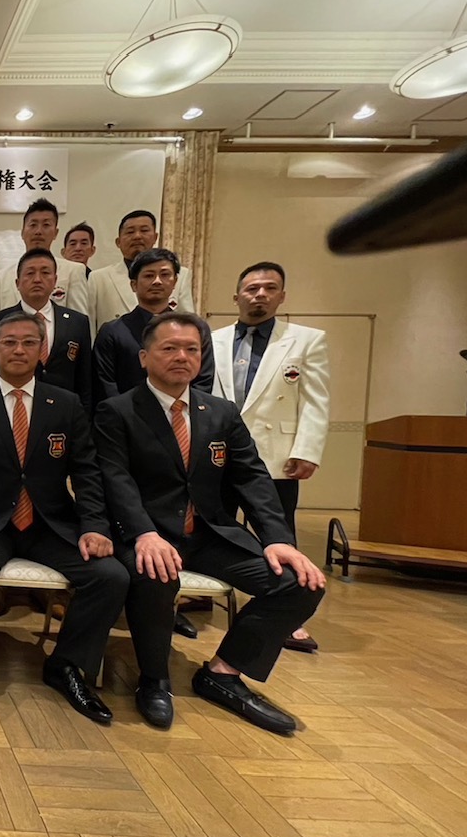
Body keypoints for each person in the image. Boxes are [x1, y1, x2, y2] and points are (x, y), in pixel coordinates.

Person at [93, 313, 326, 733]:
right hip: (145, 533)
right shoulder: (117, 411)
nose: (181, 356)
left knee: (300, 583)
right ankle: (154, 680)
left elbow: (252, 478)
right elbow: (116, 478)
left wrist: (277, 539)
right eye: (169, 348)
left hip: (208, 533)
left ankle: (223, 672)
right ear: (144, 357)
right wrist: (144, 533)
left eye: (191, 349)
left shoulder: (221, 413)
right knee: (155, 574)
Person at [0, 313, 128, 715]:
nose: (19, 350)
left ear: (42, 350)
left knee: (111, 575)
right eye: (9, 342)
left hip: (50, 524)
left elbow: (86, 472)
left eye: (29, 342)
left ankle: (66, 664)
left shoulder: (65, 404)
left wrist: (95, 526)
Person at [212, 262, 331, 654]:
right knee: (216, 527)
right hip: (219, 455)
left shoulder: (305, 340)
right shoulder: (213, 340)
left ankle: (288, 616)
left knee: (279, 532)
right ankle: (203, 594)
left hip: (277, 456)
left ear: (282, 296)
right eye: (252, 288)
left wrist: (306, 450)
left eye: (269, 288)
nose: (259, 294)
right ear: (237, 296)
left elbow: (315, 401)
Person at [93, 248, 214, 408]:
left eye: (164, 275)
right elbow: (105, 385)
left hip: (183, 415)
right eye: (149, 275)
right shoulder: (112, 331)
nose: (157, 281)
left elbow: (203, 381)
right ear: (134, 285)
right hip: (127, 417)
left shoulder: (196, 329)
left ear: (175, 282)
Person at [0, 249, 93, 410]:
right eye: (30, 273)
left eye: (45, 273)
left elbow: (85, 379)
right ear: (17, 283)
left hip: (65, 412)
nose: (37, 279)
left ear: (55, 281)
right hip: (10, 410)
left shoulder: (77, 322)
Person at [87, 210, 195, 334]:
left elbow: (188, 322)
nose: (137, 236)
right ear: (118, 242)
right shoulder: (99, 278)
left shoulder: (180, 274)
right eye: (130, 232)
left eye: (144, 230)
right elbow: (90, 326)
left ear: (155, 237)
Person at [21, 198, 87, 312]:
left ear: (55, 233)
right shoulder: (2, 277)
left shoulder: (73, 271)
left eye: (46, 225)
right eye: (33, 225)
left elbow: (79, 318)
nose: (38, 231)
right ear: (22, 232)